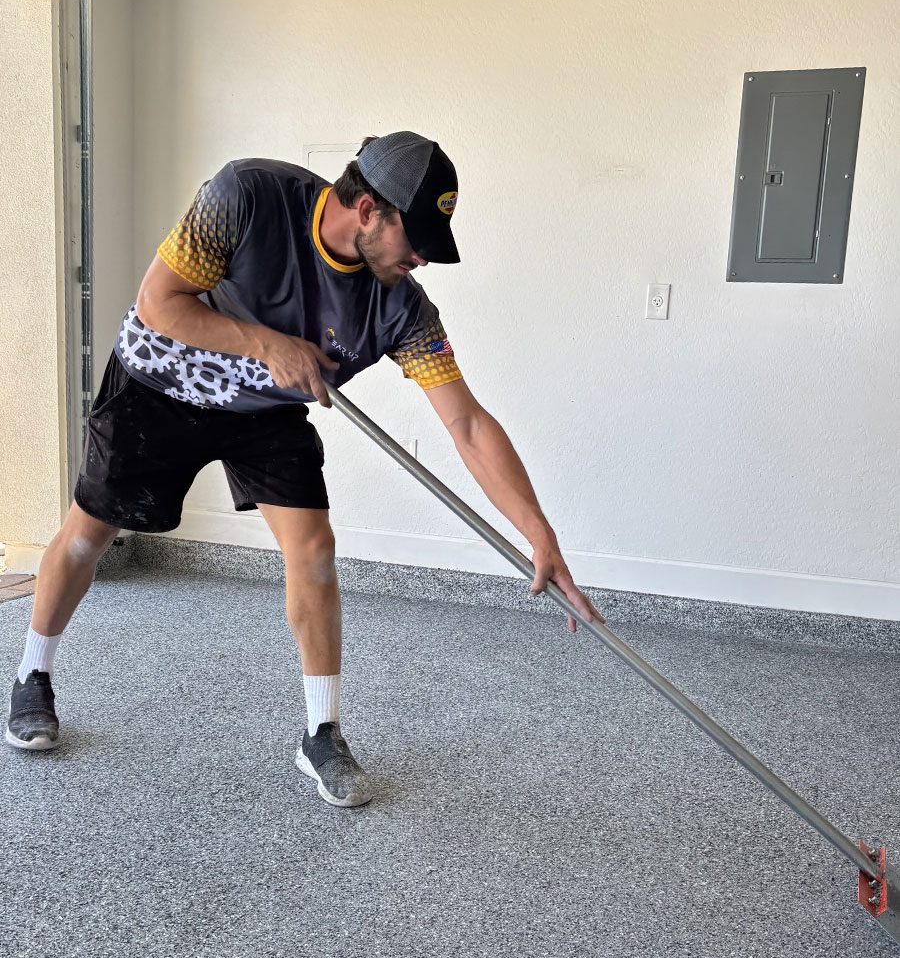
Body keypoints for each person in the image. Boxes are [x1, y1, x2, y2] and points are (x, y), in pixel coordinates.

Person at [6, 131, 599, 805]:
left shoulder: (400, 306)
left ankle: (322, 732)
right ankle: (33, 675)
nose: (424, 259)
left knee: (314, 550)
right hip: (162, 383)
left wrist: (537, 534)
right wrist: (267, 344)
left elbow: (466, 423)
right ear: (371, 208)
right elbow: (158, 304)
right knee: (89, 534)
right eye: (417, 237)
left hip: (264, 412)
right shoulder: (245, 196)